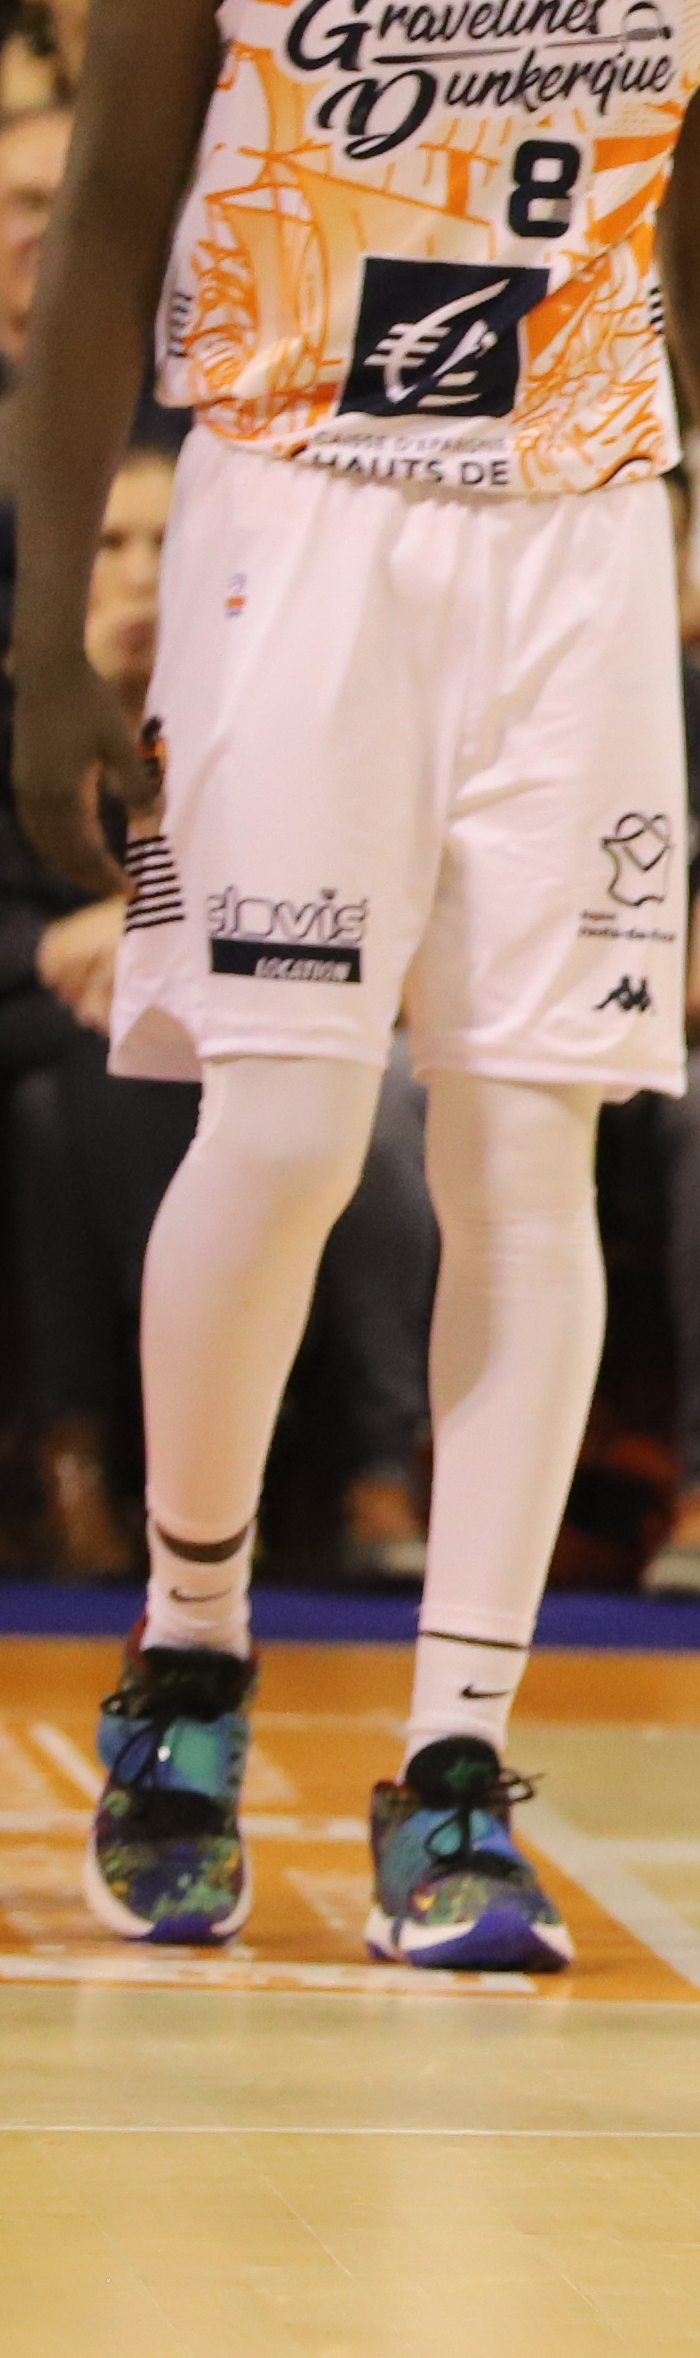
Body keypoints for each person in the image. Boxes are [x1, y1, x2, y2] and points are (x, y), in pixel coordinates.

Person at [38, 0, 700, 1974]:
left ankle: (459, 1756)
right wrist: (51, 617)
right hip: (298, 509)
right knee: (273, 1130)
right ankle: (182, 1654)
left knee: (532, 1152)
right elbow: (102, 237)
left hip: (581, 543)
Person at [5, 437, 442, 1589]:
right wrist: (69, 929)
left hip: (255, 1017)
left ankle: (370, 1461)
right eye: (113, 543)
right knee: (74, 1096)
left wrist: (138, 927)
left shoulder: (284, 684)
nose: (146, 570)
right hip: (42, 1031)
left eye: (167, 540)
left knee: (375, 1101)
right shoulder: (22, 707)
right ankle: (87, 1453)